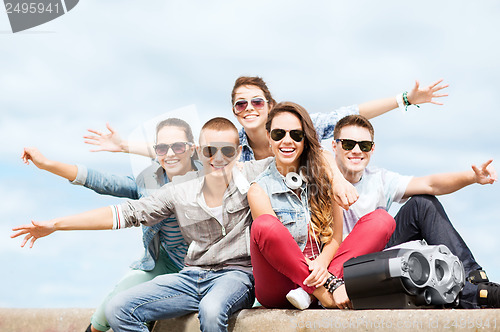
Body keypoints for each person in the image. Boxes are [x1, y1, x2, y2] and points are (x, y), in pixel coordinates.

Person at [12, 117, 273, 332]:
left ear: (237, 152)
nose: (218, 158)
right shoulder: (172, 190)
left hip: (231, 273)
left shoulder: (246, 173)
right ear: (200, 152)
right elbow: (119, 205)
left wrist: (125, 145)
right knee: (115, 309)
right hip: (183, 271)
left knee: (212, 308)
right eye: (209, 151)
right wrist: (56, 224)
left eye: (226, 151)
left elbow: (295, 158)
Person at [84, 76, 448, 209]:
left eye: (256, 101)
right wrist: (125, 146)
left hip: (316, 213)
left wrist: (404, 99)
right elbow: (186, 152)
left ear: (269, 105)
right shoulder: (234, 143)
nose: (248, 108)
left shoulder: (296, 126)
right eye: (240, 103)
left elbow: (350, 112)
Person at [21, 118, 200, 332]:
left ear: (193, 148)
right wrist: (47, 165)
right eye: (161, 148)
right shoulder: (148, 180)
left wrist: (126, 147)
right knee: (104, 315)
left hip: (202, 266)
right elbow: (104, 181)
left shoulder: (212, 176)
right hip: (164, 261)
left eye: (179, 146)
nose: (170, 153)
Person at [331, 114, 499, 309]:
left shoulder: (378, 178)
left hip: (377, 255)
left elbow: (430, 184)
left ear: (373, 148)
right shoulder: (321, 178)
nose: (357, 151)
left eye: (365, 145)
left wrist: (472, 177)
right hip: (344, 265)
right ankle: (481, 296)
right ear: (334, 147)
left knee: (422, 203)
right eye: (348, 144)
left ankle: (475, 279)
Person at [247, 102, 396, 310]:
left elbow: (336, 238)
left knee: (382, 220)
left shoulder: (323, 177)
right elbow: (274, 248)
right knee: (264, 225)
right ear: (268, 137)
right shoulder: (258, 190)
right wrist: (325, 286)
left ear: (305, 139)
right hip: (280, 284)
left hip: (323, 272)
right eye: (279, 133)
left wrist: (323, 266)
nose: (287, 140)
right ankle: (322, 293)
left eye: (296, 135)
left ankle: (311, 293)